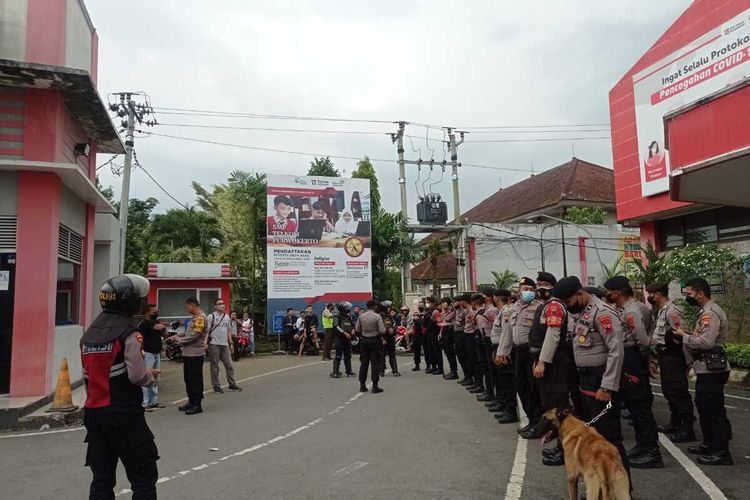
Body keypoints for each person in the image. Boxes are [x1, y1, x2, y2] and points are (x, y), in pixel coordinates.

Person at [82, 274, 160, 499]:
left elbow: (87, 374)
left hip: (94, 415)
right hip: (123, 414)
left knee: (102, 479)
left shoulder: (89, 334)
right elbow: (136, 375)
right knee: (143, 476)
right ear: (129, 303)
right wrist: (151, 376)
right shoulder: (128, 333)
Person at [553, 276, 630, 489]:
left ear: (580, 294)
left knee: (610, 438)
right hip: (587, 380)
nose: (568, 308)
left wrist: (607, 386)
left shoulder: (603, 313)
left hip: (601, 380)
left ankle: (624, 488)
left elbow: (616, 351)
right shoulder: (584, 312)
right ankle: (600, 485)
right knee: (595, 438)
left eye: (569, 302)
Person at [672, 277, 733, 466]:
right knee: (704, 407)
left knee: (714, 410)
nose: (688, 296)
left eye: (689, 293)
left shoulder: (711, 313)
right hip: (706, 368)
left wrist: (684, 336)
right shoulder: (704, 312)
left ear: (700, 293)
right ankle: (709, 443)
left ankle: (722, 451)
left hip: (713, 368)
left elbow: (706, 342)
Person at [604, 276, 662, 468]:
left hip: (633, 359)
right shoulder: (622, 310)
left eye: (609, 292)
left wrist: (646, 361)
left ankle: (652, 452)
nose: (607, 295)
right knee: (633, 406)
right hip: (629, 359)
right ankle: (641, 445)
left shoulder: (630, 311)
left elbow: (643, 341)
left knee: (640, 407)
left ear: (617, 293)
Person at [646, 281, 695, 442]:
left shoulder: (672, 311)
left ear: (658, 294)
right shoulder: (661, 311)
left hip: (674, 357)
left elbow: (681, 335)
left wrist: (688, 362)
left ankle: (687, 428)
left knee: (677, 391)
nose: (649, 297)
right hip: (665, 357)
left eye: (651, 294)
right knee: (669, 390)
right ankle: (675, 422)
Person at [498, 278, 542, 437]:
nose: (528, 291)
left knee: (533, 388)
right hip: (517, 352)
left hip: (531, 352)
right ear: (518, 290)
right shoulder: (513, 308)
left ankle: (537, 422)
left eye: (531, 288)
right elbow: (507, 332)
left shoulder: (538, 307)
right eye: (525, 288)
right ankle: (531, 418)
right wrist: (502, 351)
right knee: (521, 386)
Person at [168, 297, 208, 415]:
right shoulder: (194, 318)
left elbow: (195, 335)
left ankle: (197, 404)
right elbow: (189, 332)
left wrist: (180, 340)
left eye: (187, 307)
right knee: (188, 379)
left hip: (195, 353)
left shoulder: (201, 318)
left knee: (195, 379)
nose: (187, 309)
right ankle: (191, 401)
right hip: (188, 353)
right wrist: (176, 336)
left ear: (193, 305)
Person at [206, 298, 242, 394]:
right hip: (214, 344)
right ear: (215, 306)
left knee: (229, 365)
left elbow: (228, 331)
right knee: (215, 367)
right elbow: (206, 331)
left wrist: (231, 343)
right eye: (219, 304)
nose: (222, 305)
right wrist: (205, 343)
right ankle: (216, 386)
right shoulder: (211, 317)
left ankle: (232, 384)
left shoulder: (226, 317)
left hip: (224, 344)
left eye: (223, 303)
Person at [139, 304, 167, 411]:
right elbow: (139, 338)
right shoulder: (143, 324)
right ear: (147, 312)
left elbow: (165, 335)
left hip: (157, 353)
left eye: (157, 311)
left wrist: (163, 328)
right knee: (147, 377)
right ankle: (144, 403)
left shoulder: (157, 322)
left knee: (155, 378)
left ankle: (153, 401)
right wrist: (141, 351)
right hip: (148, 353)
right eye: (154, 312)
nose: (156, 314)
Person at [355, 299, 386, 393]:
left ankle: (362, 385)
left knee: (364, 363)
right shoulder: (377, 317)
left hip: (364, 340)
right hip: (374, 340)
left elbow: (357, 329)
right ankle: (375, 386)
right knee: (375, 364)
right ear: (374, 306)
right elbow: (382, 330)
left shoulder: (361, 316)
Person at [331, 301, 355, 378]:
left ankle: (349, 371)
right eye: (346, 308)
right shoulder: (337, 316)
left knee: (348, 355)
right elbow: (336, 326)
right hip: (339, 338)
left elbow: (353, 325)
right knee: (338, 355)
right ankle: (335, 372)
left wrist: (353, 329)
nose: (348, 309)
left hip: (347, 339)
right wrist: (344, 333)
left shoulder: (347, 317)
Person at [452, 295, 471, 384]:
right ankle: (466, 376)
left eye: (456, 301)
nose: (454, 303)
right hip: (457, 334)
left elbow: (459, 323)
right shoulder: (457, 311)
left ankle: (469, 377)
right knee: (460, 356)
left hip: (462, 334)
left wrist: (450, 324)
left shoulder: (464, 311)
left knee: (464, 356)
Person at [439, 297, 459, 380]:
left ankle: (454, 371)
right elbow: (442, 322)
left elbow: (447, 320)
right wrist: (440, 333)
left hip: (451, 333)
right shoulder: (444, 312)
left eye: (444, 303)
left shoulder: (452, 311)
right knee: (447, 352)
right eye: (442, 303)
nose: (443, 305)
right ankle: (452, 370)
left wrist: (443, 313)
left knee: (451, 352)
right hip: (445, 332)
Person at [424, 297, 443, 375]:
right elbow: (424, 323)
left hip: (435, 333)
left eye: (429, 302)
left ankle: (440, 368)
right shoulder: (428, 312)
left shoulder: (436, 311)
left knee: (436, 350)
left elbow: (439, 322)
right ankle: (433, 366)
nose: (427, 304)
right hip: (429, 332)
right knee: (430, 350)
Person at [380, 303, 400, 376]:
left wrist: (393, 329)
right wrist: (382, 338)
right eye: (388, 308)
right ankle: (381, 371)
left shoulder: (389, 317)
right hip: (383, 338)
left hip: (391, 338)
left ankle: (395, 371)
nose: (389, 309)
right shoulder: (379, 316)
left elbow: (395, 325)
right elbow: (379, 328)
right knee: (382, 355)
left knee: (392, 354)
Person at [411, 303, 428, 371]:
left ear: (424, 306)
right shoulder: (417, 314)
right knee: (416, 350)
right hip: (416, 334)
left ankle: (428, 365)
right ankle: (417, 365)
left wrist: (418, 319)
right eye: (419, 305)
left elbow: (423, 323)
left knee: (426, 350)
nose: (420, 307)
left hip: (424, 334)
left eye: (421, 305)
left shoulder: (425, 314)